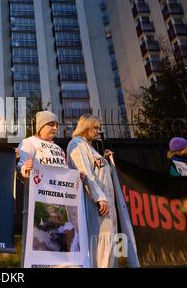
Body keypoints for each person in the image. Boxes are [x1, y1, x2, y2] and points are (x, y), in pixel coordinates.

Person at [17, 111, 72, 265]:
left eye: (56, 125)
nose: (55, 128)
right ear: (40, 126)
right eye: (50, 124)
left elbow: (65, 172)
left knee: (58, 246)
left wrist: (75, 178)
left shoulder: (59, 149)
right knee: (39, 245)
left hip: (60, 205)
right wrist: (24, 169)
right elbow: (20, 166)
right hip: (39, 204)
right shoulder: (29, 142)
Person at [66, 114, 118, 268]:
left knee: (107, 244)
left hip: (104, 207)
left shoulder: (89, 147)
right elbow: (84, 171)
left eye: (99, 128)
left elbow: (96, 171)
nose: (98, 131)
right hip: (94, 206)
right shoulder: (76, 144)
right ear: (85, 127)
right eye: (95, 128)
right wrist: (99, 197)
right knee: (98, 244)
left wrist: (104, 159)